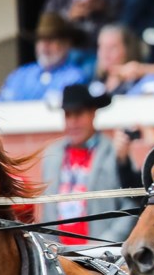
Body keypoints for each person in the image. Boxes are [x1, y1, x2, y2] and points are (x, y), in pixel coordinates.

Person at [40, 84, 139, 244]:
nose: (73, 122)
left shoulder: (114, 152)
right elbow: (47, 210)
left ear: (92, 114)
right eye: (68, 115)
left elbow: (132, 204)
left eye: (78, 114)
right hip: (59, 254)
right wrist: (49, 245)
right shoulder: (51, 155)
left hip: (101, 256)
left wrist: (104, 245)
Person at [0, 13, 88, 102]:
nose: (45, 45)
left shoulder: (74, 77)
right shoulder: (19, 75)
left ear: (66, 44)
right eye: (40, 39)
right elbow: (1, 107)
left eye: (51, 39)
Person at [92, 23, 144, 96]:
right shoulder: (96, 81)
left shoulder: (140, 85)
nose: (105, 53)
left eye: (112, 47)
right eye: (101, 46)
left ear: (128, 50)